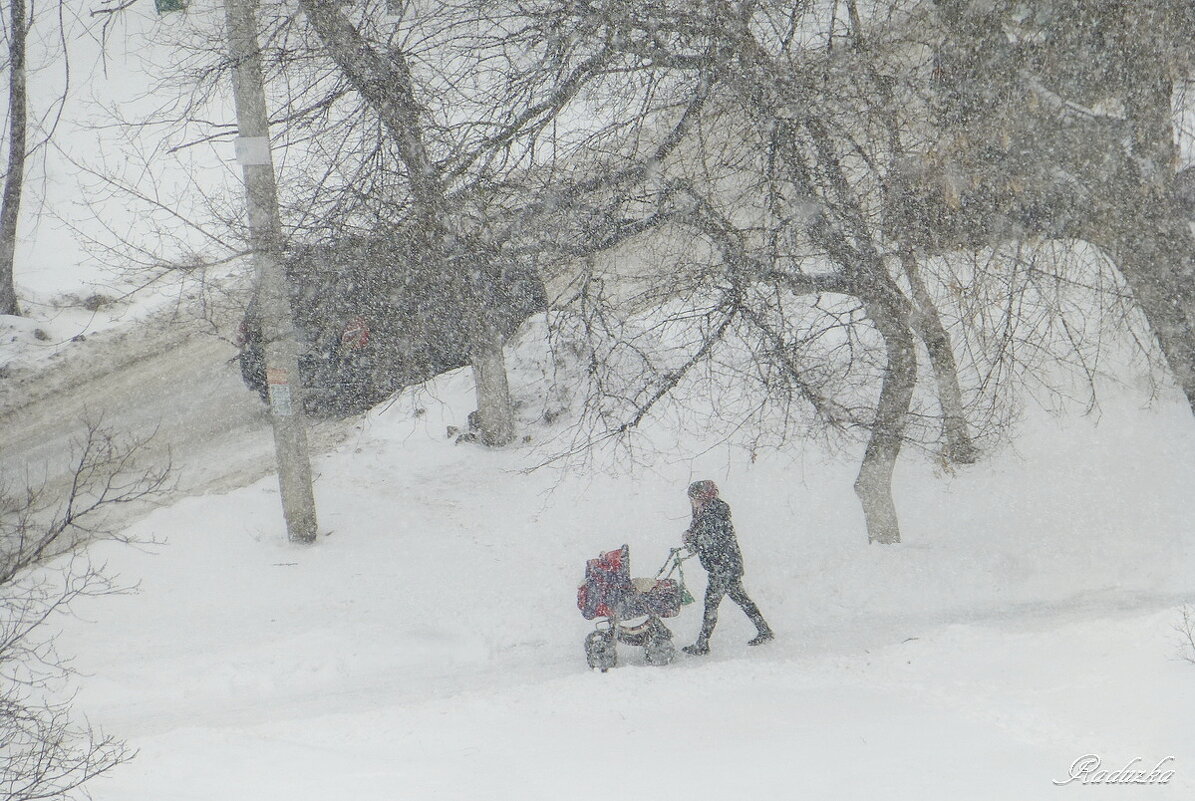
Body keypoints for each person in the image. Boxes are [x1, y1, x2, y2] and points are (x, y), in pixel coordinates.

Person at [681, 480, 773, 655]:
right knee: (741, 599)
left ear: (701, 497)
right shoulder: (713, 511)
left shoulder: (712, 513)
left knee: (711, 604)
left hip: (722, 567)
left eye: (693, 498)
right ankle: (764, 630)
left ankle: (702, 644)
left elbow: (709, 542)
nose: (692, 502)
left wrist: (691, 540)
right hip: (727, 564)